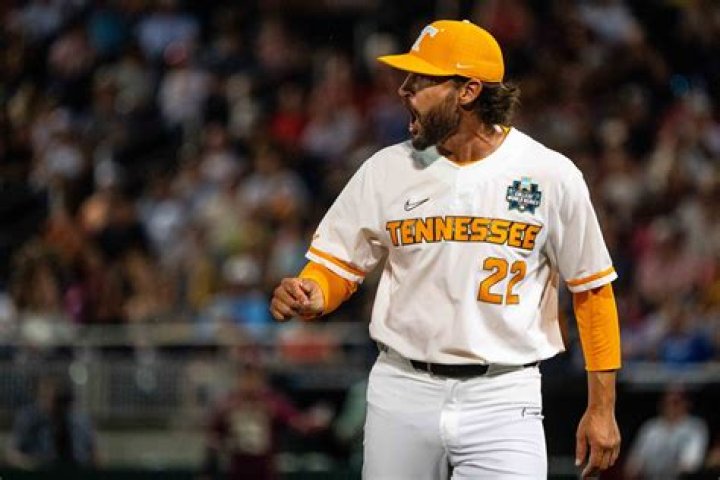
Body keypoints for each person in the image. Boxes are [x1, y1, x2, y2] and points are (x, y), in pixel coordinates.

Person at [270, 19, 621, 479]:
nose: (403, 90)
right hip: (402, 389)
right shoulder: (386, 170)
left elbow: (592, 290)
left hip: (503, 394)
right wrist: (312, 292)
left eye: (421, 80)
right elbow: (336, 265)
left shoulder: (550, 174)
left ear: (468, 91)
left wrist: (602, 407)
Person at [6, 374, 98, 470]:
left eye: (57, 398)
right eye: (45, 396)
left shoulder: (80, 420)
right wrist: (31, 464)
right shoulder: (28, 419)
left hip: (77, 471)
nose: (52, 403)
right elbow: (13, 455)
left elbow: (95, 456)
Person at [624, 385, 709, 479]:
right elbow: (632, 466)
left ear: (687, 404)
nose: (670, 406)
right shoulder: (650, 428)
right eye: (666, 402)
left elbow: (689, 466)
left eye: (675, 402)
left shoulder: (695, 427)